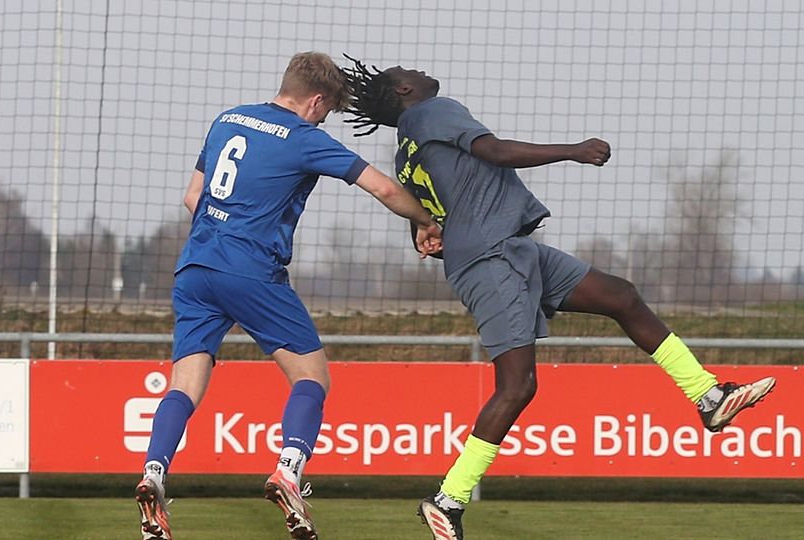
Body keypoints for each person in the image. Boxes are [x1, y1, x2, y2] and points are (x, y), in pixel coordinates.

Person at [343, 55, 776, 540]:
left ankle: (708, 396)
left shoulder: (407, 146)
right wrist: (573, 149)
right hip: (492, 258)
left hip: (511, 248)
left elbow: (425, 214)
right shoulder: (432, 109)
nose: (417, 70)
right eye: (407, 71)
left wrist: (424, 231)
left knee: (621, 296)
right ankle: (449, 498)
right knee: (518, 386)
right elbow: (496, 151)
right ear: (403, 90)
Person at [135, 52, 443, 540]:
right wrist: (427, 220)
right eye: (326, 111)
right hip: (251, 269)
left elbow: (192, 198)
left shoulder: (227, 118)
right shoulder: (303, 137)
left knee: (184, 383)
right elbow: (383, 188)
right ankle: (289, 471)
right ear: (315, 101)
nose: (324, 120)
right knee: (312, 376)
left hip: (195, 266)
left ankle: (153, 473)